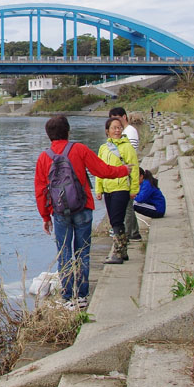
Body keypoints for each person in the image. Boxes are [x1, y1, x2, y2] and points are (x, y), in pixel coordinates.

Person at [35, 115, 129, 310]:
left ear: (49, 135)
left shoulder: (44, 157)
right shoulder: (79, 149)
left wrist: (45, 216)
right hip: (83, 208)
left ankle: (68, 297)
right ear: (68, 131)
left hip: (59, 212)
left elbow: (41, 190)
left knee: (64, 253)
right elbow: (102, 171)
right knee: (83, 253)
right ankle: (82, 296)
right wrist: (124, 171)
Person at [95, 116, 140, 265]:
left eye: (119, 127)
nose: (117, 130)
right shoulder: (103, 148)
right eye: (114, 128)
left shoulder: (127, 147)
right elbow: (99, 170)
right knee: (115, 219)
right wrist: (99, 189)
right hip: (108, 188)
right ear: (107, 131)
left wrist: (134, 189)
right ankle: (123, 250)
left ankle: (118, 252)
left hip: (121, 188)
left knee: (116, 221)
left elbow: (134, 170)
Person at [108, 106, 141, 240]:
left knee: (127, 206)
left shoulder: (130, 132)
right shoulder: (125, 132)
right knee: (126, 206)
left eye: (116, 119)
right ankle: (132, 232)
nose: (115, 125)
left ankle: (129, 232)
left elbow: (130, 155)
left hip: (126, 175)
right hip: (122, 175)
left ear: (124, 117)